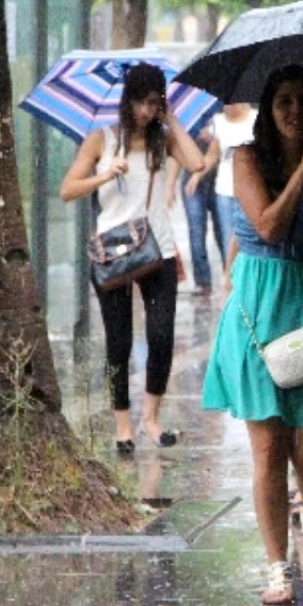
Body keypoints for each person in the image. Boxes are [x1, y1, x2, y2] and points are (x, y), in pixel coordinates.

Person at [202, 65, 303, 605]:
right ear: (268, 107)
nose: (295, 110)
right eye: (283, 100)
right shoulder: (245, 158)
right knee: (268, 450)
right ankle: (276, 566)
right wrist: (301, 173)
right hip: (258, 304)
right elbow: (267, 226)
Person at [60, 63, 204, 453]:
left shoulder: (164, 138)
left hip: (159, 249)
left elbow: (197, 163)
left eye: (153, 103)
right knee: (118, 340)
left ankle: (151, 419)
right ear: (126, 101)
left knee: (161, 336)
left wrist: (171, 117)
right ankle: (123, 425)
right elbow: (68, 190)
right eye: (140, 101)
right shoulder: (101, 139)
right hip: (113, 253)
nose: (144, 110)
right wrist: (105, 174)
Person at [167, 116, 223, 296]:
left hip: (219, 179)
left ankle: (229, 276)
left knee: (224, 230)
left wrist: (214, 136)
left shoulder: (220, 116)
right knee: (196, 231)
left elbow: (226, 148)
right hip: (192, 180)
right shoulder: (186, 121)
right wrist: (170, 185)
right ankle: (203, 282)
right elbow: (176, 156)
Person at [207, 101, 257, 262]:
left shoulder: (255, 118)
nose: (228, 107)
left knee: (249, 236)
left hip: (250, 188)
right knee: (228, 237)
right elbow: (212, 155)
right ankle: (230, 278)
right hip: (225, 189)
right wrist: (196, 175)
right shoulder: (219, 121)